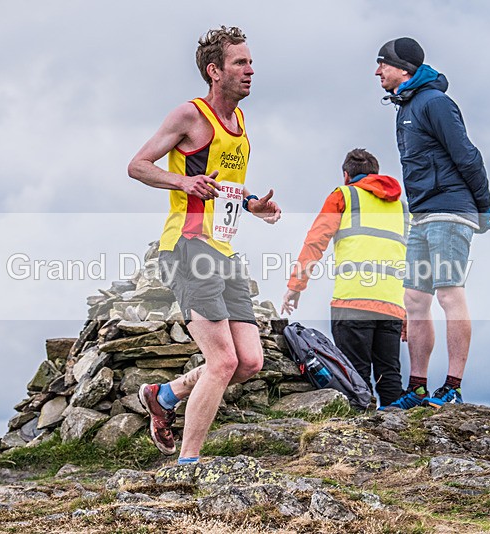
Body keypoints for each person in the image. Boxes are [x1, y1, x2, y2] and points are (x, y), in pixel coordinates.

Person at [127, 26, 281, 464]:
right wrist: (183, 180)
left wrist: (252, 204)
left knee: (250, 362)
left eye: (251, 62)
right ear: (215, 71)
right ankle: (188, 464)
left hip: (224, 251)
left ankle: (165, 395)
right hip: (188, 246)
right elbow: (137, 166)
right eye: (240, 63)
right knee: (222, 362)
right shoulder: (189, 116)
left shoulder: (241, 122)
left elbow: (226, 186)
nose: (250, 70)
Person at [374, 37, 490, 410]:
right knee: (414, 299)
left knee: (447, 293)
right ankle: (419, 387)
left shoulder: (435, 103)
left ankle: (453, 386)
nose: (377, 71)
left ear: (403, 68)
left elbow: (467, 154)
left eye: (383, 63)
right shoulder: (406, 105)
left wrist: (483, 206)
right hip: (423, 212)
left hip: (450, 208)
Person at [281, 148, 408, 409]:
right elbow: (410, 258)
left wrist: (295, 286)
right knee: (390, 376)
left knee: (355, 376)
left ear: (346, 175)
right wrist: (405, 309)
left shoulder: (344, 195)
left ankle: (362, 440)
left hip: (352, 301)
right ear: (376, 174)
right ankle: (395, 434)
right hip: (392, 304)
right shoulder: (401, 207)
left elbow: (316, 241)